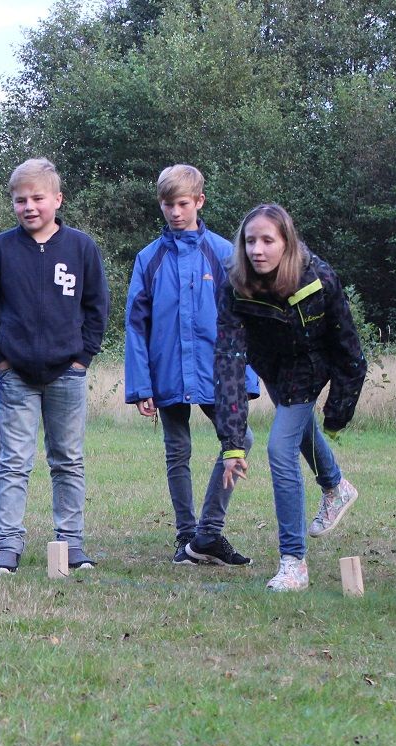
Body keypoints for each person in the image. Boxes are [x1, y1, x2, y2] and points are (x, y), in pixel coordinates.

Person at [212, 204, 367, 592]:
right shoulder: (234, 284)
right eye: (250, 241)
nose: (258, 250)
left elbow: (349, 348)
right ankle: (336, 486)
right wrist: (232, 444)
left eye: (268, 240)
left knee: (280, 447)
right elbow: (228, 361)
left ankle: (293, 563)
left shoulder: (319, 278)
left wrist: (338, 409)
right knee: (296, 429)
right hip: (272, 367)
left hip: (311, 364)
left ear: (287, 242)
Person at [0, 157, 109, 573]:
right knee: (14, 462)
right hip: (16, 377)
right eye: (20, 200)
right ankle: (7, 547)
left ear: (57, 199)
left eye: (37, 198)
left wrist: (83, 358)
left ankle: (71, 544)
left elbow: (97, 306)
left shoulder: (81, 247)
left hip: (67, 374)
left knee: (67, 460)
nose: (29, 206)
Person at [123, 164, 258, 567]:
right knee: (176, 451)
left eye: (182, 203)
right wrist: (141, 385)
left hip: (215, 372)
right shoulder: (149, 258)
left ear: (199, 201)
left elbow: (243, 320)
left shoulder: (222, 253)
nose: (175, 212)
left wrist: (244, 379)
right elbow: (135, 324)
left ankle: (208, 533)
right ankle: (186, 537)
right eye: (168, 204)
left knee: (241, 440)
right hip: (166, 371)